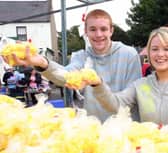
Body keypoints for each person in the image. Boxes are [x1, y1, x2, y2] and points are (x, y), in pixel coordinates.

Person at [3, 9, 142, 122]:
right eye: (92, 29)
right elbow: (65, 77)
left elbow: (131, 98)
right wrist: (41, 63)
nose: (98, 34)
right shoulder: (80, 56)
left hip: (124, 129)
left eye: (103, 29)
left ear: (111, 30)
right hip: (93, 131)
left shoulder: (129, 55)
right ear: (86, 32)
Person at [81, 27, 168, 124]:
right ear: (148, 53)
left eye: (166, 49)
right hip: (150, 139)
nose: (160, 54)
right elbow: (116, 104)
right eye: (155, 49)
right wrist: (98, 84)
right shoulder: (142, 85)